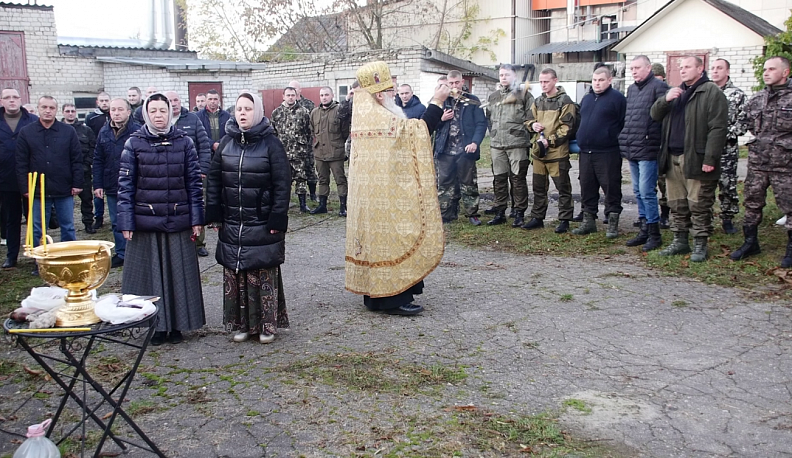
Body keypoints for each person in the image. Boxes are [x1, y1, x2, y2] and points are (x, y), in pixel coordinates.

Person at [346, 61, 448, 316]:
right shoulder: (384, 120)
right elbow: (420, 131)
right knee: (393, 239)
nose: (394, 94)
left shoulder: (364, 118)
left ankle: (375, 297)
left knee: (375, 242)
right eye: (390, 89)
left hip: (370, 197)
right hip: (387, 197)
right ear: (379, 94)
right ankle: (393, 299)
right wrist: (436, 101)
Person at [117, 93, 205, 346]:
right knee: (151, 276)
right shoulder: (134, 144)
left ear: (170, 113)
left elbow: (194, 185)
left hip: (178, 219)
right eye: (153, 111)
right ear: (146, 113)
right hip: (147, 221)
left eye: (162, 111)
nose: (158, 115)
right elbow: (125, 185)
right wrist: (126, 221)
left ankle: (178, 324)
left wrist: (196, 218)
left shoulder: (184, 142)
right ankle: (155, 325)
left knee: (178, 275)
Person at [205, 92, 291, 343]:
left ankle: (266, 326)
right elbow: (213, 180)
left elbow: (282, 184)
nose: (242, 113)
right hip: (233, 221)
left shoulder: (271, 144)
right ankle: (241, 324)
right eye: (239, 109)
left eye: (248, 109)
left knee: (261, 271)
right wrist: (214, 214)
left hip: (261, 221)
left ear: (258, 112)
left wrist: (277, 217)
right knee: (236, 271)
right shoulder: (226, 143)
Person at [651, 55, 728, 262]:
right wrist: (665, 99)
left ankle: (700, 244)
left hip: (696, 157)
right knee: (677, 203)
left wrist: (710, 158)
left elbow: (718, 128)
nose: (683, 70)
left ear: (700, 68)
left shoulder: (711, 92)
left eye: (687, 67)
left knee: (699, 204)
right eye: (681, 67)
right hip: (672, 156)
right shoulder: (677, 92)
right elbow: (655, 115)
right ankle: (680, 241)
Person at [731, 56, 792, 267]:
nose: (766, 73)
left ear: (785, 72)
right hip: (758, 162)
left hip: (785, 164)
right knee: (752, 203)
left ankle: (790, 249)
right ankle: (750, 242)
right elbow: (742, 123)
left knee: (790, 206)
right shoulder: (757, 99)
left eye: (772, 69)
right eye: (765, 69)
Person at [16, 96, 83, 274]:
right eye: (44, 107)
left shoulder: (67, 131)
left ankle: (69, 258)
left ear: (56, 110)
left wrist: (77, 183)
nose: (48, 110)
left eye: (51, 107)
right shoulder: (27, 132)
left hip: (64, 188)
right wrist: (25, 188)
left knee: (67, 226)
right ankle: (41, 262)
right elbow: (21, 162)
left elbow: (76, 159)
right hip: (37, 190)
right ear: (38, 109)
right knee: (38, 227)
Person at [619, 56, 669, 251]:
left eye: (637, 67)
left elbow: (662, 118)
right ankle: (644, 228)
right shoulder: (631, 89)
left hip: (649, 148)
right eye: (632, 68)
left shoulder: (658, 87)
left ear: (648, 68)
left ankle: (654, 233)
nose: (634, 71)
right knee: (638, 191)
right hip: (632, 146)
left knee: (648, 191)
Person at [572, 67, 626, 238]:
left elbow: (625, 124)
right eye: (594, 80)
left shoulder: (617, 99)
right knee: (587, 186)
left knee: (611, 187)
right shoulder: (587, 99)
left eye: (601, 80)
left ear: (609, 80)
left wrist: (615, 141)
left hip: (608, 152)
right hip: (586, 152)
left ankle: (612, 223)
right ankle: (588, 221)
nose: (597, 83)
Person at [523, 68, 576, 233]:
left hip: (557, 153)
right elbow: (527, 119)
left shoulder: (565, 101)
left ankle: (564, 220)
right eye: (541, 82)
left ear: (555, 80)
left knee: (563, 188)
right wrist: (533, 125)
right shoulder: (538, 101)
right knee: (539, 187)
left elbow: (567, 128)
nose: (543, 85)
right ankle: (538, 217)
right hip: (539, 153)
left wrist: (550, 141)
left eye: (546, 81)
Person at [435, 70, 487, 226]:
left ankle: (472, 214)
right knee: (444, 184)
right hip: (445, 149)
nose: (453, 86)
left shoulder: (472, 101)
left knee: (468, 183)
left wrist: (475, 142)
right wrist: (441, 118)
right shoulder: (441, 100)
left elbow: (481, 124)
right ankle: (446, 214)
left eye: (456, 82)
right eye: (450, 83)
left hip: (465, 149)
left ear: (462, 82)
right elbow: (430, 123)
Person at [93, 98, 140, 269]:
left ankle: (137, 252)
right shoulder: (104, 132)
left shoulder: (137, 131)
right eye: (113, 110)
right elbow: (98, 159)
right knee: (116, 221)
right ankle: (121, 253)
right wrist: (97, 184)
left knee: (135, 219)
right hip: (112, 184)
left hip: (134, 185)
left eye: (120, 109)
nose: (116, 112)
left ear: (129, 112)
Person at [164, 90, 212, 257]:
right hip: (170, 176)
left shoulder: (193, 119)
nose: (174, 103)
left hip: (192, 173)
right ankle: (178, 241)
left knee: (198, 206)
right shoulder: (162, 121)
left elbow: (204, 145)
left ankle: (199, 243)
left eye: (176, 100)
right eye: (170, 100)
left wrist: (203, 168)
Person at [485, 64, 533, 227]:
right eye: (501, 75)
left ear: (514, 77)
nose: (503, 77)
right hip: (497, 145)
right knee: (499, 179)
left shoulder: (524, 95)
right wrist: (495, 135)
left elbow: (531, 119)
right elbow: (489, 119)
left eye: (507, 75)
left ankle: (519, 212)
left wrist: (520, 135)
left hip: (517, 144)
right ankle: (500, 212)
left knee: (518, 179)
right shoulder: (493, 97)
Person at [710, 58, 747, 234]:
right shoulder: (706, 92)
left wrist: (724, 134)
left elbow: (744, 121)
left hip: (727, 148)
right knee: (705, 184)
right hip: (707, 147)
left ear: (727, 71)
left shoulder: (737, 94)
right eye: (713, 68)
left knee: (727, 184)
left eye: (719, 68)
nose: (715, 71)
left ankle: (727, 218)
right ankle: (705, 218)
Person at [0, 88, 37, 269]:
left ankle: (37, 255)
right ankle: (11, 256)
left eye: (15, 97)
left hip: (31, 178)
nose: (12, 100)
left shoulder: (32, 120)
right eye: (7, 97)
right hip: (6, 179)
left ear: (20, 100)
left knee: (34, 218)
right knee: (11, 219)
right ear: (2, 101)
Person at [309, 87, 350, 216]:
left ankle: (343, 207)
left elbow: (344, 131)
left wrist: (337, 143)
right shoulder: (315, 112)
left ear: (332, 95)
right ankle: (322, 205)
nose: (324, 97)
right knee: (322, 179)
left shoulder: (339, 111)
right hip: (320, 152)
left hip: (335, 152)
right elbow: (311, 129)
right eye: (322, 95)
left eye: (326, 94)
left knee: (340, 180)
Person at [272, 87, 312, 212]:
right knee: (283, 180)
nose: (290, 97)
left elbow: (308, 131)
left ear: (296, 96)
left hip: (299, 151)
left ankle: (303, 205)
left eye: (293, 95)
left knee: (301, 178)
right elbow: (273, 133)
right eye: (288, 95)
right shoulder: (276, 113)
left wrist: (304, 146)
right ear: (283, 96)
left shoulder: (303, 111)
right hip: (282, 153)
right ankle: (284, 205)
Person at [61, 103, 97, 235]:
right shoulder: (58, 130)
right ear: (63, 112)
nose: (70, 113)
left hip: (83, 171)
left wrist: (87, 162)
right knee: (63, 201)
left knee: (87, 199)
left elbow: (94, 147)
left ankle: (88, 223)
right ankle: (65, 226)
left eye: (72, 111)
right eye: (67, 111)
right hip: (64, 172)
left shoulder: (86, 130)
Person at [288, 80, 318, 201]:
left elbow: (314, 123)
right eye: (290, 89)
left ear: (300, 90)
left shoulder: (308, 104)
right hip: (290, 147)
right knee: (290, 173)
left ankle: (313, 194)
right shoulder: (285, 105)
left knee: (309, 169)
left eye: (295, 89)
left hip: (306, 145)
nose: (293, 91)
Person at [651, 62, 671, 228]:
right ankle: (651, 216)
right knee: (651, 183)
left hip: (667, 145)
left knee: (666, 183)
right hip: (651, 145)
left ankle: (665, 215)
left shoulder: (669, 94)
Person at [196, 89, 231, 154]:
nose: (212, 101)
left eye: (215, 99)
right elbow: (198, 134)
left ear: (219, 100)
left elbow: (229, 133)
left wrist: (220, 144)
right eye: (210, 99)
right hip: (205, 151)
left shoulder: (227, 116)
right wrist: (212, 144)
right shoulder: (198, 116)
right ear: (206, 100)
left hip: (223, 151)